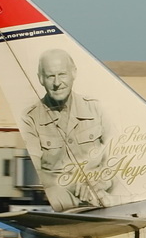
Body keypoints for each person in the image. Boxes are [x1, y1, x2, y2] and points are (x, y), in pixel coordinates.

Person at [21, 48, 112, 209]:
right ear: (41, 79)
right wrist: (71, 185)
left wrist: (101, 183)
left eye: (62, 74)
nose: (57, 83)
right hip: (63, 199)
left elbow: (118, 154)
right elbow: (36, 172)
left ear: (74, 73)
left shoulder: (96, 109)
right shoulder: (31, 118)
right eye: (50, 76)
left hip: (103, 193)